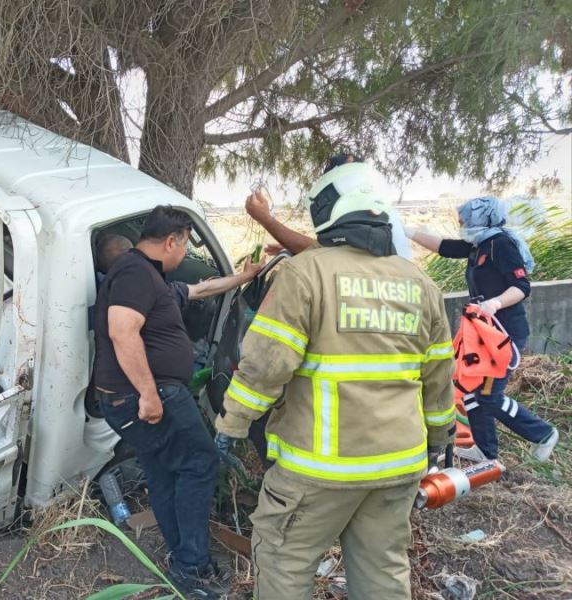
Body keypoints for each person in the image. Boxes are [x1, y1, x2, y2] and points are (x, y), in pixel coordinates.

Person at [214, 161, 456, 599]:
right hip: (398, 465)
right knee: (383, 573)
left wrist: (231, 424)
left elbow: (266, 364)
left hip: (319, 469)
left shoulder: (306, 273)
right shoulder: (419, 282)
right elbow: (439, 375)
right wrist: (440, 436)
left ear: (328, 211)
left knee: (285, 563)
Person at [93, 206, 264, 599]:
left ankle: (181, 557)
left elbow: (198, 290)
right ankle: (193, 567)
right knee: (200, 462)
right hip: (148, 395)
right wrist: (150, 395)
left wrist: (244, 277)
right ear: (172, 240)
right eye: (184, 245)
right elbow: (122, 332)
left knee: (164, 470)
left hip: (138, 395)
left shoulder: (149, 278)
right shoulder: (135, 272)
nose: (184, 254)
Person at [405, 196, 558, 462]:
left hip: (503, 332)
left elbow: (522, 286)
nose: (460, 223)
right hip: (481, 334)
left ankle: (543, 434)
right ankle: (485, 451)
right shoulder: (478, 245)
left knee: (489, 396)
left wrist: (495, 303)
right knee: (471, 387)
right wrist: (405, 231)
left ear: (481, 218)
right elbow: (443, 247)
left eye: (463, 220)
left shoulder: (501, 244)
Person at [245, 152, 412, 259]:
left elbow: (329, 254)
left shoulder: (365, 210)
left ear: (349, 163)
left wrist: (266, 219)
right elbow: (334, 248)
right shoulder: (376, 210)